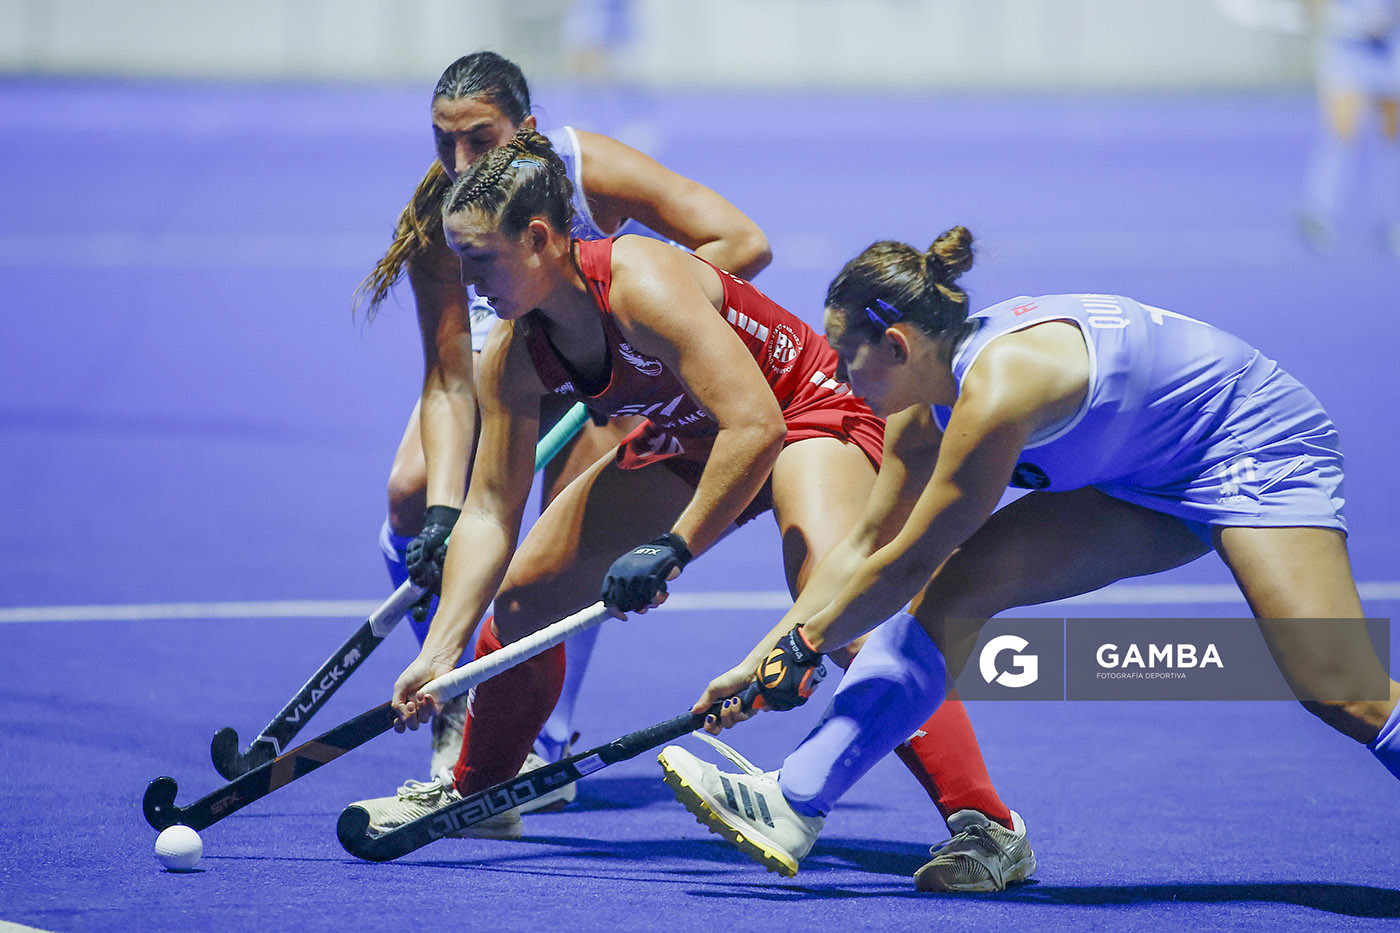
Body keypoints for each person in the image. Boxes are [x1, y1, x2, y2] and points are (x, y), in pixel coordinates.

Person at [350, 136, 1036, 889]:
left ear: (540, 239)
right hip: (690, 434)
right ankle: (478, 794)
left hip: (803, 411)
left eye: (479, 257)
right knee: (526, 596)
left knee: (839, 611)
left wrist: (672, 547)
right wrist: (442, 649)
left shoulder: (641, 284)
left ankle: (989, 826)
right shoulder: (513, 356)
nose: (467, 279)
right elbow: (487, 511)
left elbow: (757, 428)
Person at [660, 225, 1400, 889]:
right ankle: (793, 799)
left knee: (1339, 688)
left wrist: (806, 645)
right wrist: (767, 653)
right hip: (1141, 470)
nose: (841, 384)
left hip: (1247, 444)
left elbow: (909, 558)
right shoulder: (920, 403)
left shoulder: (997, 392)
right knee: (952, 598)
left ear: (897, 346)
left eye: (848, 362)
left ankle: (796, 791)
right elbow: (861, 546)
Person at [357, 50, 773, 794]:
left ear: (527, 130)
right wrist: (447, 512)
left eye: (479, 140)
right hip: (510, 366)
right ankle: (462, 684)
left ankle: (544, 734)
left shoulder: (588, 171)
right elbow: (450, 379)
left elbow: (741, 243)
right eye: (441, 141)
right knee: (411, 493)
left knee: (563, 526)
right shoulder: (442, 225)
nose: (458, 161)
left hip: (604, 362)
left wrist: (628, 341)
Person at [1299, 0, 1400, 254]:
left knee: (1391, 136)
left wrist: (1387, 19)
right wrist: (1354, 22)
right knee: (1341, 132)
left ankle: (1393, 217)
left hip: (1391, 48)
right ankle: (1320, 212)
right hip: (1349, 48)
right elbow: (1313, 7)